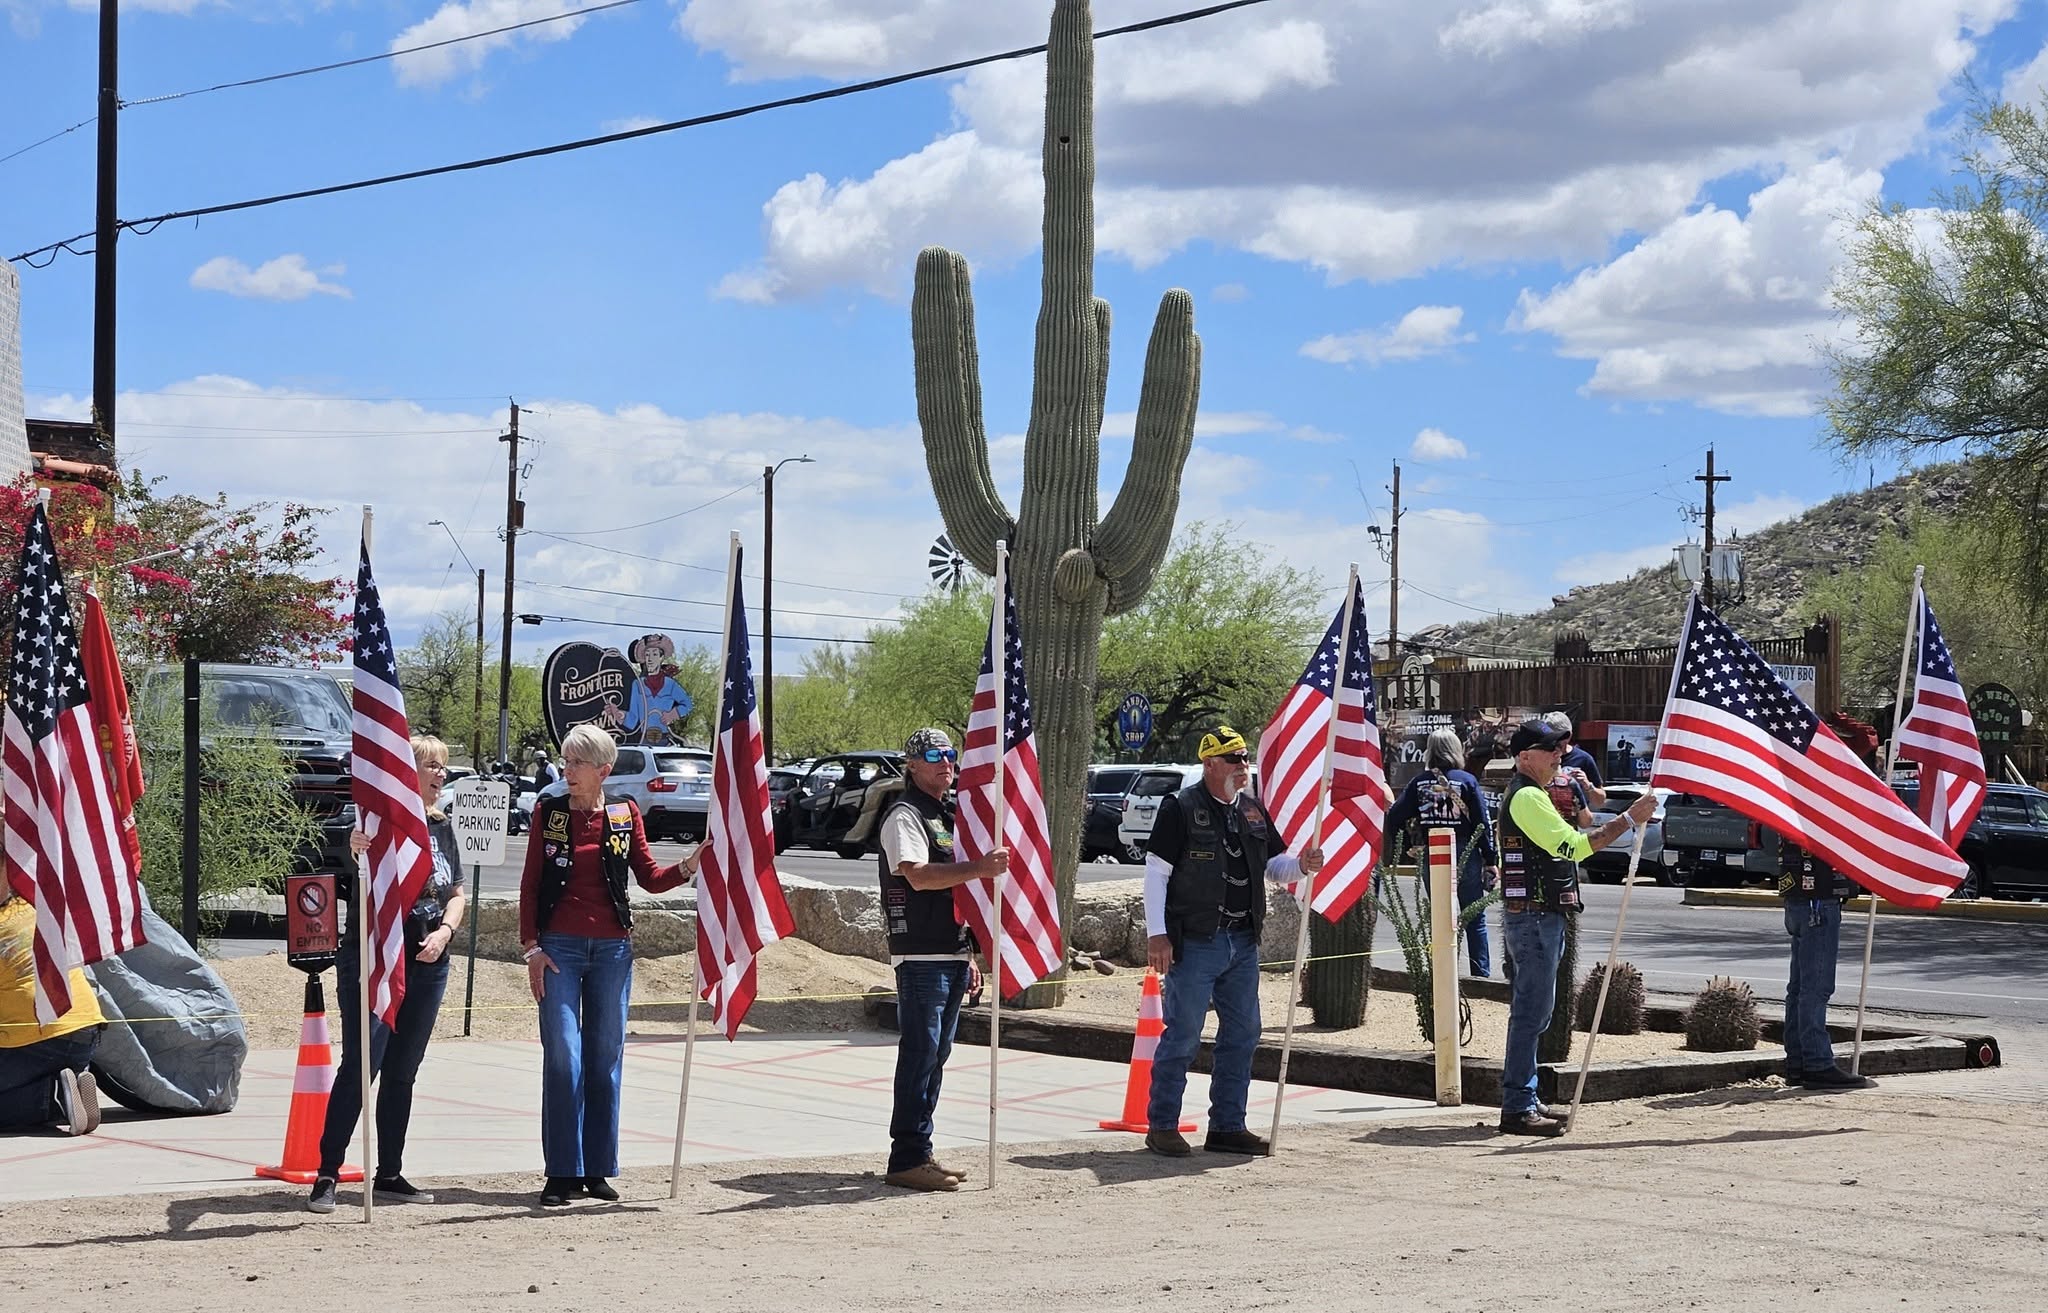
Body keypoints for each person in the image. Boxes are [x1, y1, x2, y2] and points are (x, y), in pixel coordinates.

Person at [519, 722, 699, 1207]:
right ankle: (561, 1171)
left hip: (613, 950)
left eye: (577, 762)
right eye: (565, 760)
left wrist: (688, 866)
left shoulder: (624, 814)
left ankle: (596, 1168)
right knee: (564, 1056)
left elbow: (650, 877)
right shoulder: (549, 812)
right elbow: (531, 884)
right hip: (559, 949)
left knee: (604, 1057)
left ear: (603, 769)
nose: (567, 769)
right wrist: (531, 947)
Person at [1144, 725, 1322, 1157]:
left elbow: (1274, 867)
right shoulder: (1180, 808)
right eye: (1234, 759)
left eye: (1245, 758)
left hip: (1242, 940)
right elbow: (1156, 874)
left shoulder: (1252, 811)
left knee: (1243, 1034)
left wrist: (1301, 864)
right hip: (1197, 941)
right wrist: (1157, 935)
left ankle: (1227, 1125)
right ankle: (1162, 1124)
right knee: (1183, 1035)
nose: (1244, 766)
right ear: (1210, 765)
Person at [308, 733, 468, 1212]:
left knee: (402, 1072)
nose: (441, 775)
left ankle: (391, 1174)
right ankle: (328, 1173)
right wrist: (357, 846)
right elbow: (359, 862)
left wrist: (444, 934)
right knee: (362, 1065)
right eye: (432, 766)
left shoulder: (441, 828)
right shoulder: (375, 826)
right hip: (375, 959)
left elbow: (456, 893)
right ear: (405, 773)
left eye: (443, 767)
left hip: (428, 961)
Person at [1495, 718, 1655, 1136]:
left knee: (1537, 1012)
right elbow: (1575, 846)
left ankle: (1524, 1098)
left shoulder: (1534, 793)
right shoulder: (1528, 796)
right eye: (1550, 749)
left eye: (1559, 748)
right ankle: (1516, 1106)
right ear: (1525, 756)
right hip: (1532, 915)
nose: (1559, 755)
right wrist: (1629, 819)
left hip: (1539, 913)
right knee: (1531, 1014)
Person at [875, 727, 1004, 1192]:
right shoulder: (905, 816)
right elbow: (920, 877)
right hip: (920, 953)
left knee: (937, 1055)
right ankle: (906, 1156)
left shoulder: (946, 815)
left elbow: (956, 892)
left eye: (951, 754)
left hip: (949, 950)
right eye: (933, 755)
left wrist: (967, 951)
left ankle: (920, 1151)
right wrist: (979, 869)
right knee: (920, 1053)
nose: (946, 762)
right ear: (911, 765)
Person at [1384, 727, 1499, 976]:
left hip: (1433, 853)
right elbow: (1483, 823)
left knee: (1441, 918)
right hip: (1465, 851)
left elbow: (1394, 816)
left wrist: (1407, 849)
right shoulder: (1466, 780)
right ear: (1455, 750)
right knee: (1474, 916)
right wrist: (1491, 859)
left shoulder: (1419, 782)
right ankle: (1481, 975)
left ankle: (1443, 975)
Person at [0, 886, 102, 1136]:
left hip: (37, 1038)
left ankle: (53, 1096)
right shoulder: (33, 907)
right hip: (85, 1026)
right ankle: (71, 1082)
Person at [1774, 834, 1872, 1090]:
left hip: (1797, 898)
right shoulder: (1820, 811)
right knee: (1815, 988)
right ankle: (1817, 1063)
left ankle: (1798, 1063)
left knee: (1798, 989)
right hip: (1818, 900)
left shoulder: (1794, 809)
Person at [1542, 711, 1607, 811]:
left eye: (1560, 737)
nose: (1555, 742)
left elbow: (1600, 801)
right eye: (1551, 737)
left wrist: (1587, 785)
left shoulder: (1584, 759)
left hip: (1573, 820)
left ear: (1569, 736)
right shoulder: (1539, 756)